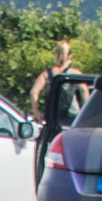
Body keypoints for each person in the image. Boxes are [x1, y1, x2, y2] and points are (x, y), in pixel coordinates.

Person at [29, 40, 83, 181]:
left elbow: (34, 92)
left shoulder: (47, 74)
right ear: (70, 56)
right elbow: (84, 90)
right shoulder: (74, 74)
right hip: (70, 120)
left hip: (52, 121)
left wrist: (37, 112)